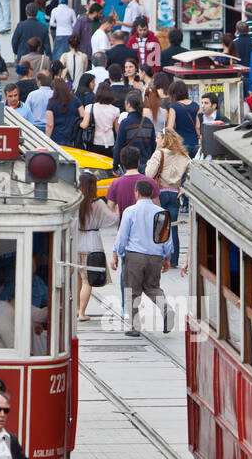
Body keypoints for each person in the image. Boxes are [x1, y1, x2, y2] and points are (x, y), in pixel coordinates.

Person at [112, 179, 174, 337]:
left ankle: (135, 327)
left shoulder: (130, 211)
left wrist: (116, 254)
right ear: (152, 193)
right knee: (152, 287)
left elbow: (122, 236)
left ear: (137, 193)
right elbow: (166, 238)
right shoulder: (161, 212)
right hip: (155, 257)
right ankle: (167, 309)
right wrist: (167, 259)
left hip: (134, 257)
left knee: (132, 291)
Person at [145, 127, 190, 270]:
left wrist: (148, 165)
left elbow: (149, 174)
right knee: (173, 227)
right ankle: (174, 259)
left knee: (160, 226)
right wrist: (184, 189)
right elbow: (193, 174)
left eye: (158, 138)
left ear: (164, 139)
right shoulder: (183, 156)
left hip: (160, 193)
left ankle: (160, 257)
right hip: (175, 193)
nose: (156, 140)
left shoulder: (159, 154)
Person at [75, 173, 117, 321]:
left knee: (78, 278)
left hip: (76, 242)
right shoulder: (97, 202)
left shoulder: (75, 201)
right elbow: (112, 219)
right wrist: (117, 211)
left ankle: (77, 310)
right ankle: (82, 313)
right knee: (88, 280)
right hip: (92, 243)